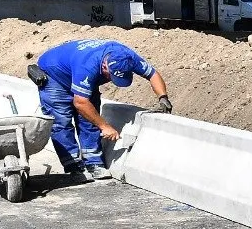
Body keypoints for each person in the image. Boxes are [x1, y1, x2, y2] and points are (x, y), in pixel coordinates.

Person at [29, 39, 171, 179]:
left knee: (90, 118)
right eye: (112, 77)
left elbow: (152, 74)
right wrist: (105, 126)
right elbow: (80, 103)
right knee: (61, 121)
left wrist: (162, 97)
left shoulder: (127, 57)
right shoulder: (88, 65)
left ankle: (94, 162)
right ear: (105, 67)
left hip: (76, 68)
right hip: (55, 76)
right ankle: (74, 165)